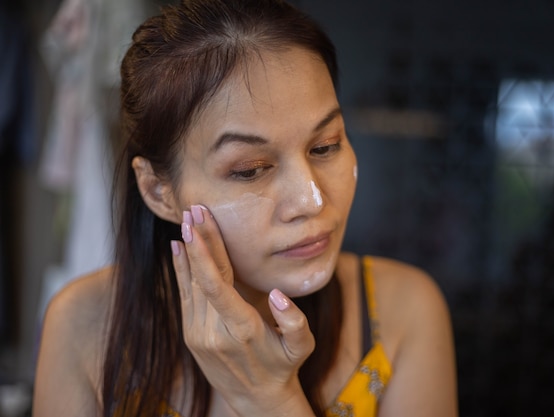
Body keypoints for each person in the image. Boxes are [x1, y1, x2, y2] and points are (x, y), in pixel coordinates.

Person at [32, 0, 457, 416]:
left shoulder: (401, 311)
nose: (311, 201)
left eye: (326, 146)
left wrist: (271, 400)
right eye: (250, 170)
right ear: (159, 191)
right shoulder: (83, 327)